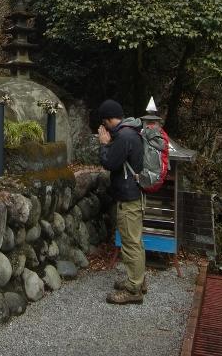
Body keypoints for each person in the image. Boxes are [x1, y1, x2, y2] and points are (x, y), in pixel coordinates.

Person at [97, 99, 146, 304]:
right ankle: (138, 281)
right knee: (136, 241)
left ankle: (134, 290)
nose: (104, 127)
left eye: (104, 122)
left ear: (109, 120)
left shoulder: (124, 136)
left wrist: (104, 144)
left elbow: (109, 163)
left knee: (130, 243)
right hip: (135, 194)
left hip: (128, 197)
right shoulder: (132, 131)